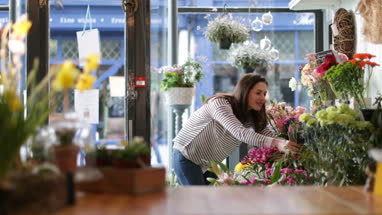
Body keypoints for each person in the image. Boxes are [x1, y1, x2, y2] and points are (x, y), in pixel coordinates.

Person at [172, 73, 300, 185]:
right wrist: (277, 143)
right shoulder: (220, 103)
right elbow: (240, 133)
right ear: (245, 91)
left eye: (264, 93)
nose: (262, 97)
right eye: (258, 93)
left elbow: (268, 134)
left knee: (213, 203)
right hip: (186, 156)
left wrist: (288, 145)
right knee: (198, 205)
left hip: (205, 164)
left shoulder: (252, 115)